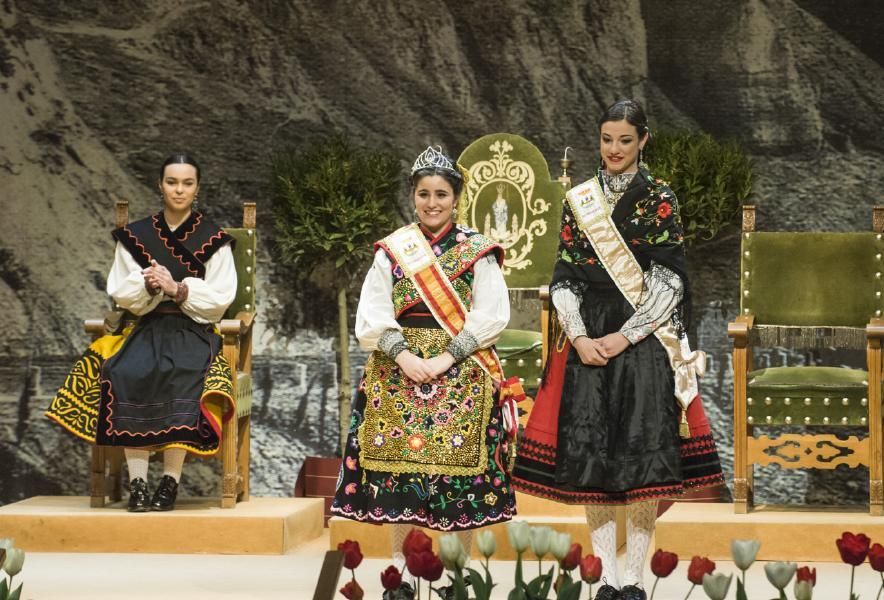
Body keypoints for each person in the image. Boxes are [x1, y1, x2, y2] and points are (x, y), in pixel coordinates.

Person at [512, 100, 724, 600]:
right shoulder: (579, 199)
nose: (614, 149)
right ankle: (605, 576)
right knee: (595, 462)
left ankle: (634, 579)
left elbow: (669, 281)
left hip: (642, 336)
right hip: (588, 336)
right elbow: (563, 278)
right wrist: (580, 335)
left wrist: (625, 336)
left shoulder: (660, 198)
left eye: (625, 140)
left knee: (641, 460)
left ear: (643, 140)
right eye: (607, 139)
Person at [331, 146, 520, 578]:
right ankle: (399, 573)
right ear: (412, 196)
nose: (431, 203)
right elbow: (372, 314)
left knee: (458, 480)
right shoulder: (392, 251)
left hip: (462, 371)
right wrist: (405, 356)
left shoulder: (478, 250)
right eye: (423, 194)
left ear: (456, 198)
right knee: (398, 472)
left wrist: (442, 359)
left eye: (440, 194)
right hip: (398, 370)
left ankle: (457, 574)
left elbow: (491, 316)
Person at [46, 153, 238, 512]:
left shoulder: (215, 238)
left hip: (192, 330)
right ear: (160, 185)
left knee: (185, 375)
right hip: (146, 327)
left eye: (187, 183)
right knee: (126, 372)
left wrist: (177, 288)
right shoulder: (136, 236)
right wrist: (150, 287)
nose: (179, 190)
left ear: (197, 188)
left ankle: (169, 483)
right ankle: (137, 484)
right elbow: (122, 292)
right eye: (172, 182)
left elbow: (221, 298)